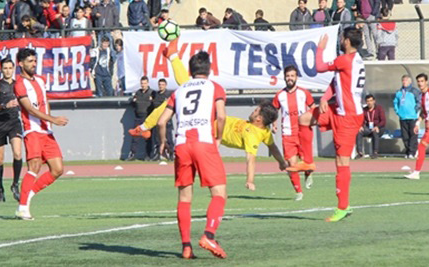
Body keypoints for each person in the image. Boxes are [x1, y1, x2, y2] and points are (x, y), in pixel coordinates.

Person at [130, 39, 287, 190]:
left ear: (259, 119)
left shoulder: (255, 135)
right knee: (178, 95)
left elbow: (251, 159)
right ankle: (144, 125)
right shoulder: (263, 131)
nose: (252, 111)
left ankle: (172, 57)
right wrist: (281, 162)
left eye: (255, 111)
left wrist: (250, 180)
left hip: (205, 124)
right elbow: (273, 148)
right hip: (207, 117)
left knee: (184, 88)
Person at [156, 51, 228, 259]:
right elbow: (221, 116)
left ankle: (186, 247)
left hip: (181, 144)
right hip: (203, 141)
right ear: (210, 68)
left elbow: (162, 122)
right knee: (219, 193)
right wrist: (220, 138)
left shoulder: (179, 90)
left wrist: (163, 142)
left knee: (185, 197)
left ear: (189, 70)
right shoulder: (215, 87)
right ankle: (209, 235)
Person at [297, 29, 366, 222]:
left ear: (346, 41)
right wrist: (325, 98)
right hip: (337, 110)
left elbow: (319, 66)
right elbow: (336, 83)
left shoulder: (346, 59)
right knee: (304, 119)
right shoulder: (354, 59)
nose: (340, 40)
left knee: (342, 162)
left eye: (342, 37)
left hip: (348, 117)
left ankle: (343, 206)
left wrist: (320, 48)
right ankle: (308, 161)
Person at [14, 48, 69, 220]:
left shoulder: (40, 80)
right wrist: (52, 119)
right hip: (32, 130)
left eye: (34, 61)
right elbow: (29, 108)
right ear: (20, 64)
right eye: (30, 61)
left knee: (58, 169)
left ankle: (28, 194)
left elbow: (45, 102)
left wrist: (50, 123)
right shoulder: (19, 84)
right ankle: (22, 207)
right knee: (35, 166)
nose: (33, 64)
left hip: (46, 131)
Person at [272, 65, 316, 201]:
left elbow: (313, 107)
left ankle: (308, 174)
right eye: (287, 76)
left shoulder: (304, 93)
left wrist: (313, 119)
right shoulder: (280, 95)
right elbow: (274, 111)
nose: (290, 78)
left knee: (306, 161)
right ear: (284, 77)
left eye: (292, 76)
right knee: (292, 164)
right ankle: (298, 191)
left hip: (302, 132)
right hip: (287, 133)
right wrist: (273, 124)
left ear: (296, 77)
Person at [0, 58, 23, 202]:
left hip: (14, 122)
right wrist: (4, 105)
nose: (8, 70)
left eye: (10, 68)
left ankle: (15, 184)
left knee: (18, 153)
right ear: (1, 70)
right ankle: (0, 188)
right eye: (5, 68)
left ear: (14, 69)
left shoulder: (19, 85)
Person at [393, 75, 421, 158]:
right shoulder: (399, 92)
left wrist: (415, 110)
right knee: (405, 136)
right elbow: (395, 102)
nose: (404, 82)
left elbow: (419, 101)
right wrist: (398, 112)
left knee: (413, 135)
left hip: (412, 117)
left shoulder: (414, 91)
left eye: (406, 80)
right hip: (403, 117)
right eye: (403, 80)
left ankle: (412, 152)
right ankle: (408, 151)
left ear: (410, 82)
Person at [126, 76, 153, 161]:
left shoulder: (152, 93)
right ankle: (132, 154)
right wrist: (133, 101)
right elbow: (133, 103)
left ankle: (148, 155)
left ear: (148, 83)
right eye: (142, 83)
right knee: (135, 137)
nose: (143, 85)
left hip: (147, 118)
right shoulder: (138, 92)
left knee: (147, 137)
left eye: (145, 83)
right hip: (138, 117)